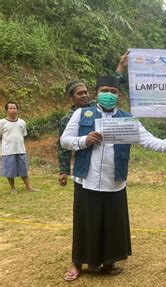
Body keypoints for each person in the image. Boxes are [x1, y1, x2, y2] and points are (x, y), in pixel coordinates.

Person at [60, 75, 166, 281]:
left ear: (119, 95)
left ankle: (109, 262)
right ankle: (77, 263)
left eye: (113, 92)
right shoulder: (81, 114)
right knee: (85, 222)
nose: (109, 95)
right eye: (105, 90)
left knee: (112, 223)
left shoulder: (127, 119)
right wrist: (84, 140)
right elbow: (65, 140)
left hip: (114, 181)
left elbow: (148, 140)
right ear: (97, 93)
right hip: (87, 179)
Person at [58, 51, 129, 186]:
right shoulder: (67, 119)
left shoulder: (96, 106)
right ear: (71, 97)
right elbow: (63, 146)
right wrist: (63, 171)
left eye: (86, 92)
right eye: (80, 94)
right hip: (84, 166)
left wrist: (120, 67)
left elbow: (110, 86)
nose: (84, 95)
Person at [0, 101, 38, 194]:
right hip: (8, 151)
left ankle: (29, 187)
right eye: (10, 108)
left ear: (17, 109)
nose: (13, 110)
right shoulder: (2, 122)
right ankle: (12, 188)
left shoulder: (22, 122)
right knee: (10, 171)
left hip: (21, 150)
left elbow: (23, 135)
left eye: (14, 108)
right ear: (7, 110)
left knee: (23, 169)